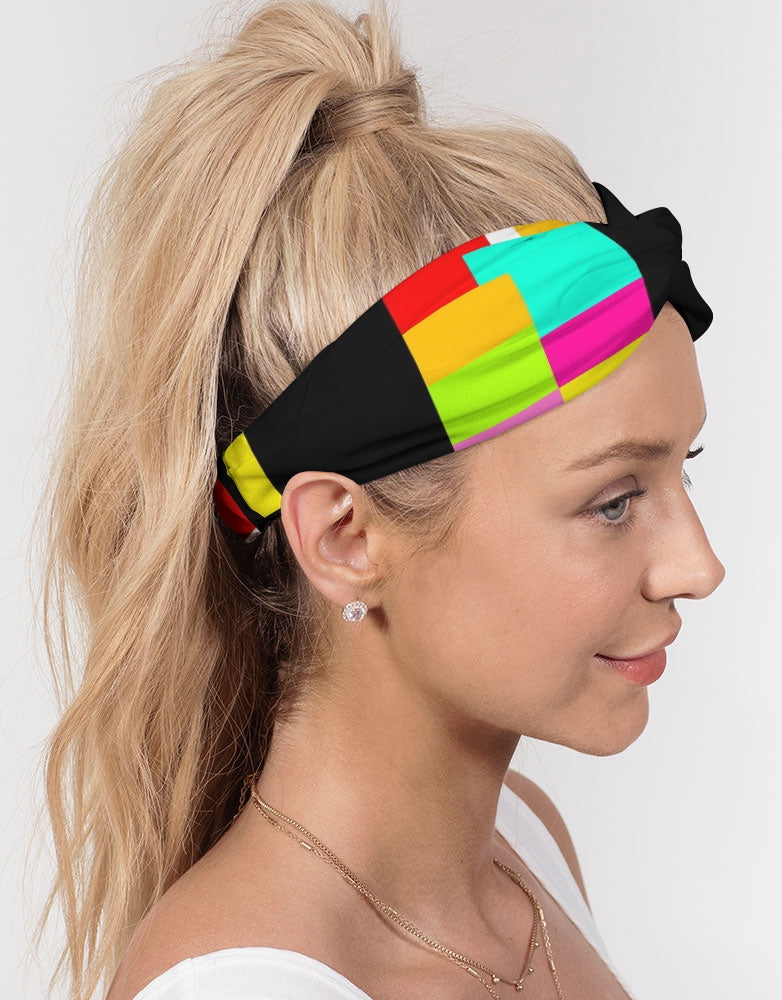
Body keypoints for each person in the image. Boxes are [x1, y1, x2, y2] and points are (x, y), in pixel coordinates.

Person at [34, 1, 726, 998]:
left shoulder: (525, 845)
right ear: (344, 538)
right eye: (613, 500)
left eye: (682, 468)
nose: (698, 566)